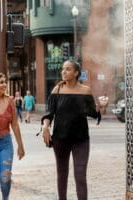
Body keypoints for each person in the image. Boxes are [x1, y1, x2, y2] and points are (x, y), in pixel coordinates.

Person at [42, 60, 101, 200]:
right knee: (61, 175)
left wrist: (101, 107)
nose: (63, 71)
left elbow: (92, 113)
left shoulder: (85, 90)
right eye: (63, 69)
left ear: (76, 73)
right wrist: (45, 126)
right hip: (60, 139)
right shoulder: (56, 90)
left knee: (80, 175)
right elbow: (49, 113)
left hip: (81, 139)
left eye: (68, 69)